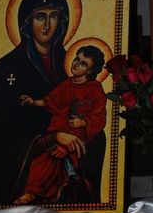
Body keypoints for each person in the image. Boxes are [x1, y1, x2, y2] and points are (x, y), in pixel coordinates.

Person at [0, 0, 104, 206]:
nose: (47, 25)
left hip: (68, 154)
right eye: (40, 17)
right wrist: (53, 138)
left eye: (54, 16)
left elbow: (93, 113)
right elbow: (0, 135)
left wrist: (79, 131)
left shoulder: (71, 68)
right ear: (26, 22)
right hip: (16, 175)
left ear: (62, 21)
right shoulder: (3, 73)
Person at [15, 45, 106, 204]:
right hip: (60, 128)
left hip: (79, 133)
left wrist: (83, 122)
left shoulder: (95, 89)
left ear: (91, 70)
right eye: (76, 59)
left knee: (57, 156)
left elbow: (99, 117)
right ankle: (33, 191)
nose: (76, 64)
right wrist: (34, 102)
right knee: (42, 160)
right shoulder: (66, 84)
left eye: (83, 63)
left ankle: (56, 185)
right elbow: (51, 100)